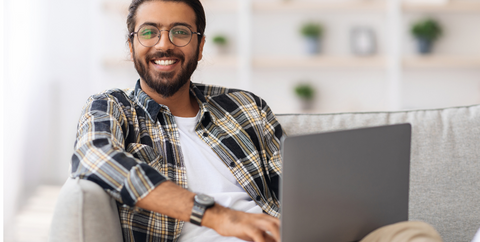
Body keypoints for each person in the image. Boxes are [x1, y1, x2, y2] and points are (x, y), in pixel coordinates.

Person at [71, 0, 443, 241]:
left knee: (414, 234)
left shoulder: (245, 107)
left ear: (200, 46)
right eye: (148, 32)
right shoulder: (110, 108)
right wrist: (218, 216)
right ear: (132, 44)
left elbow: (294, 189)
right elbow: (94, 160)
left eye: (180, 32)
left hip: (282, 236)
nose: (164, 44)